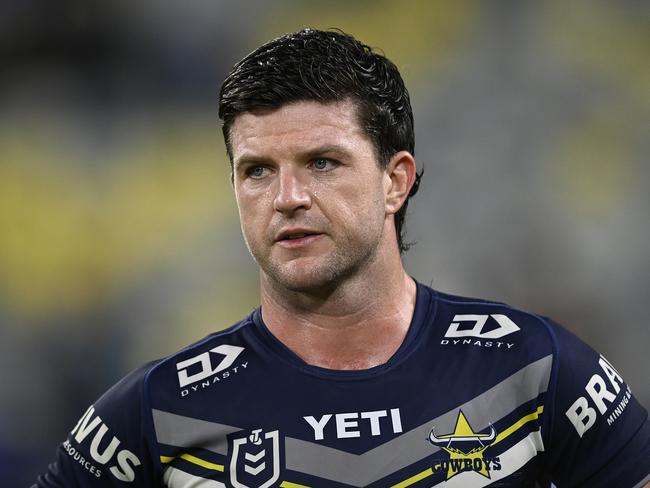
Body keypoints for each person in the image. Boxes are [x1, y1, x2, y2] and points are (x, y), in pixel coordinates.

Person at [35, 28, 650, 488]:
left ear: (396, 180)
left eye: (322, 163)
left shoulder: (532, 368)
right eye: (256, 171)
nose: (287, 198)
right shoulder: (158, 409)